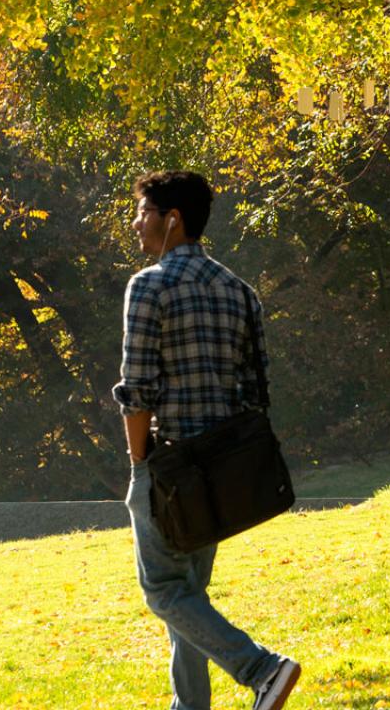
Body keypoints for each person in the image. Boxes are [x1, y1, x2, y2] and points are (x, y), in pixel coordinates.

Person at [112, 171, 299, 710]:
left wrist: (138, 463)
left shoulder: (148, 285)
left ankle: (262, 669)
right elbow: (255, 385)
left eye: (144, 212)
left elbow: (139, 389)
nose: (136, 222)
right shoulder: (240, 291)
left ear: (174, 220)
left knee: (164, 592)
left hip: (168, 463)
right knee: (189, 598)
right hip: (222, 469)